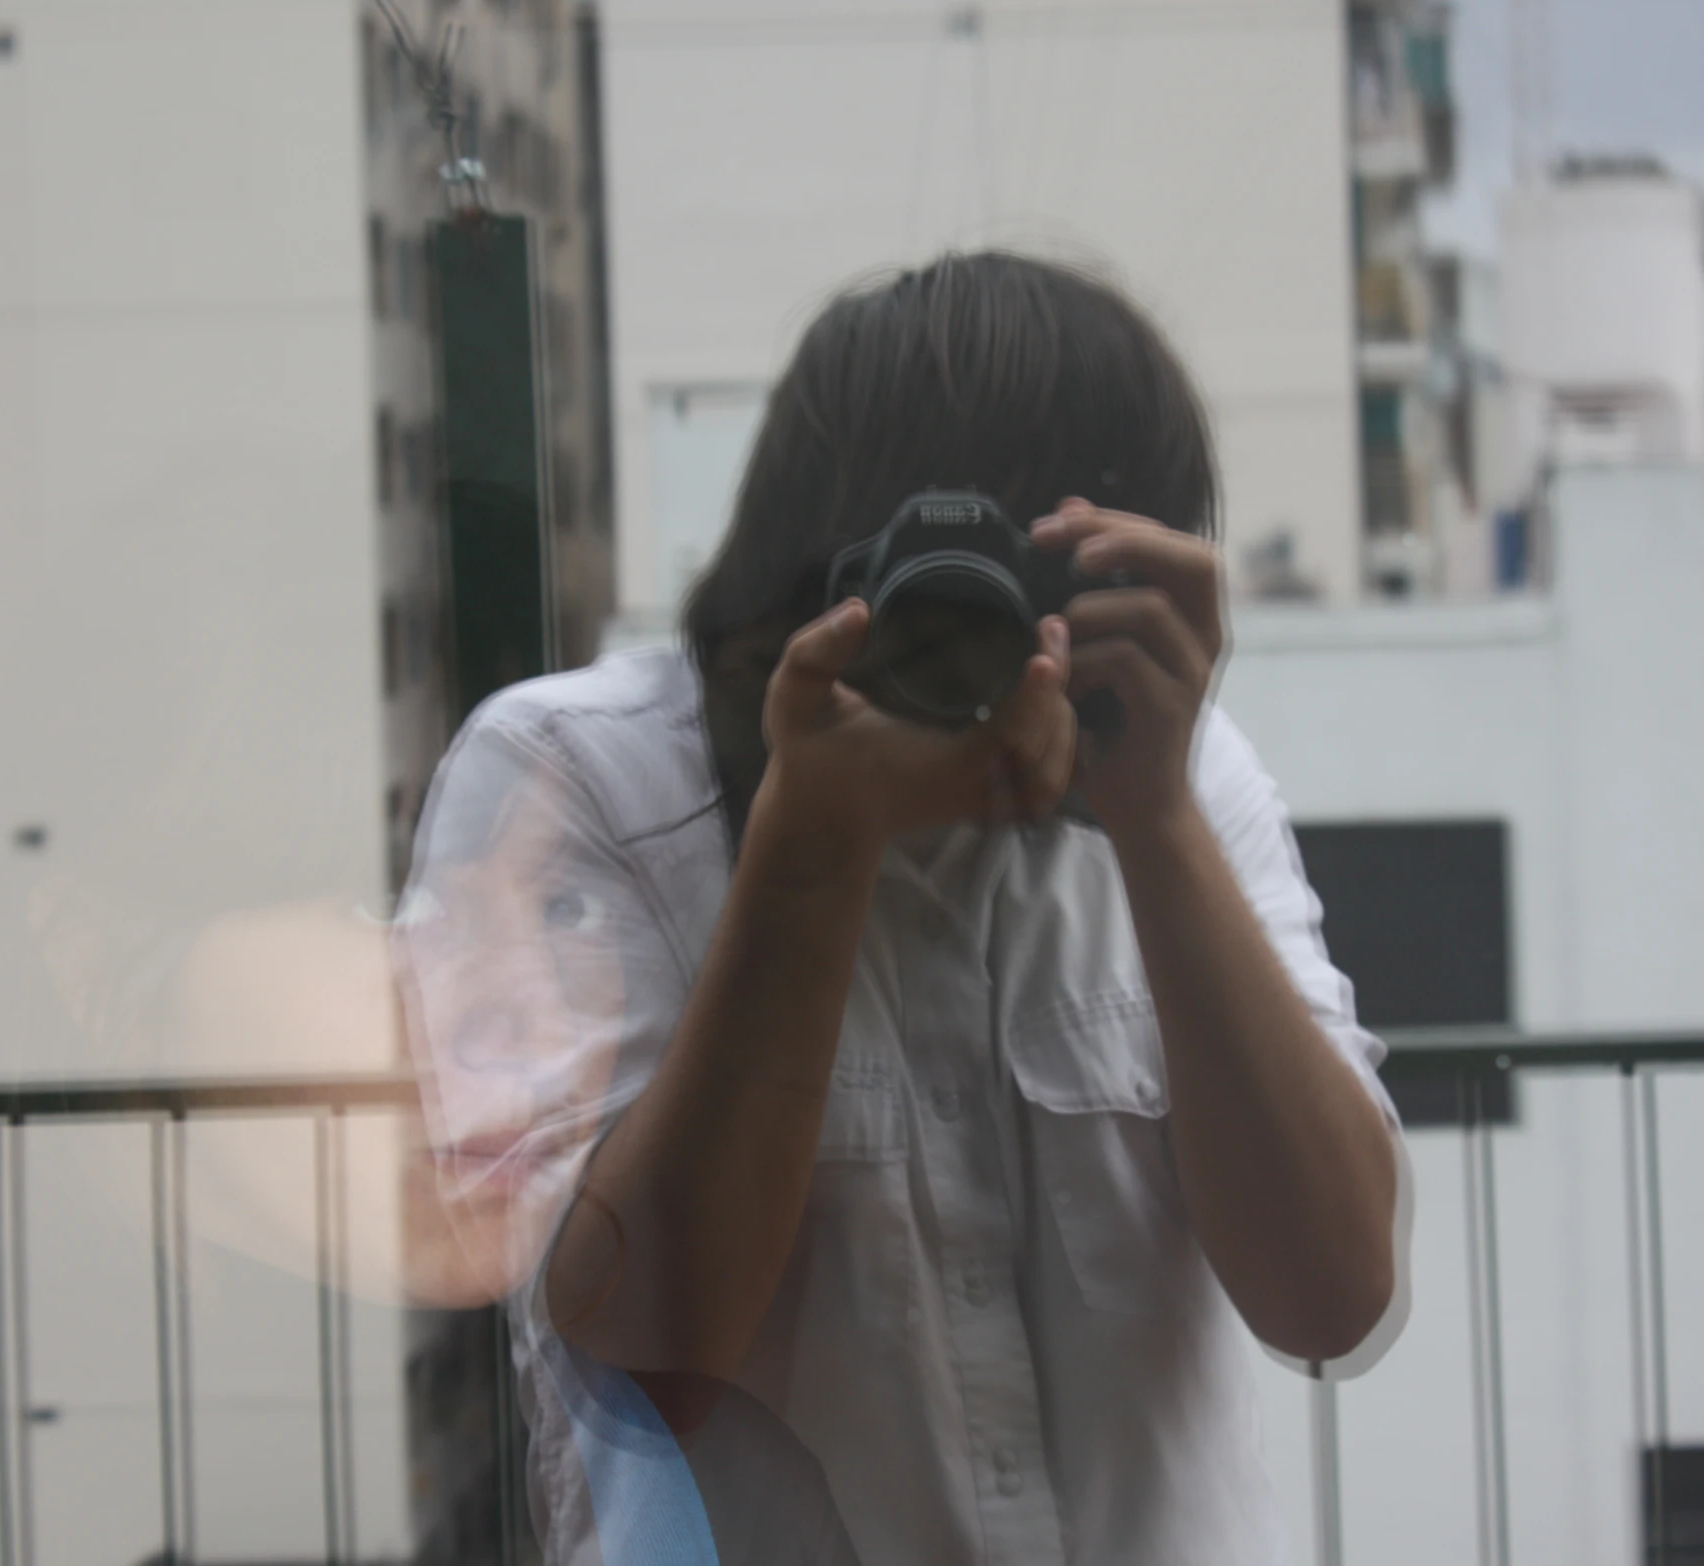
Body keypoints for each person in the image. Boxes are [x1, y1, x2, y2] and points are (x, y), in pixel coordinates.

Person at [395, 251, 1411, 1565]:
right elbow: (642, 1348)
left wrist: (1154, 814)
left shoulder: (1179, 770)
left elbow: (1332, 1295)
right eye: (925, 565)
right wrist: (814, 844)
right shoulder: (587, 777)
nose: (974, 626)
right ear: (809, 557)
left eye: (1027, 567)